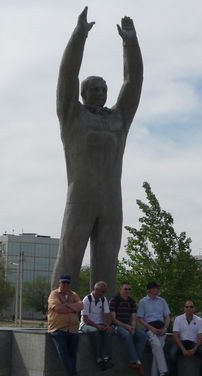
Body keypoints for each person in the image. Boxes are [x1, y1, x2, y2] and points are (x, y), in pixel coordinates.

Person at [51, 7, 143, 292]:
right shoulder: (72, 116)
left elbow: (133, 82)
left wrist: (130, 41)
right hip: (80, 198)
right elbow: (67, 75)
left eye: (104, 89)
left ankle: (104, 314)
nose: (101, 94)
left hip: (111, 199)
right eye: (95, 89)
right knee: (70, 256)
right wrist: (79, 35)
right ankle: (59, 310)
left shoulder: (119, 119)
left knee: (107, 262)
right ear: (82, 93)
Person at [47, 274, 84, 376]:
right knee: (63, 353)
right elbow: (58, 308)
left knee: (72, 354)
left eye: (67, 283)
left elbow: (81, 306)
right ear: (60, 283)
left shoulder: (74, 294)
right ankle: (73, 375)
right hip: (58, 329)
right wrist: (72, 308)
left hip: (73, 330)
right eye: (63, 283)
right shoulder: (54, 294)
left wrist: (67, 305)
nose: (65, 285)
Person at [168, 300, 202, 376]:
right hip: (181, 343)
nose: (189, 309)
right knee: (172, 354)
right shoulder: (178, 319)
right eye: (187, 307)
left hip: (194, 344)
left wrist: (194, 349)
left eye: (191, 307)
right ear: (184, 308)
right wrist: (183, 349)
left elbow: (201, 336)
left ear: (194, 308)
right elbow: (175, 335)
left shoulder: (199, 320)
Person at [136, 282, 170, 376]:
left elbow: (167, 316)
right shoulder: (143, 302)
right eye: (155, 288)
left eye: (158, 288)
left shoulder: (162, 301)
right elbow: (140, 319)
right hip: (150, 328)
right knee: (157, 346)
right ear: (149, 290)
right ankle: (163, 372)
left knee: (157, 351)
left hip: (161, 328)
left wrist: (165, 328)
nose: (157, 290)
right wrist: (151, 328)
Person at [110, 282, 147, 375]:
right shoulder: (114, 300)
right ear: (120, 289)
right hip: (117, 326)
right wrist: (127, 327)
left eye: (129, 289)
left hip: (129, 325)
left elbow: (134, 317)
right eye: (125, 289)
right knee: (127, 335)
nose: (127, 291)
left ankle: (133, 361)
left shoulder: (132, 301)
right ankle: (138, 362)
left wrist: (133, 327)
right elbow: (113, 319)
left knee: (143, 335)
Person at [79, 281, 114, 370]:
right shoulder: (87, 299)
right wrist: (97, 326)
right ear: (96, 290)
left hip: (99, 324)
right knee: (95, 332)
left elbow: (107, 314)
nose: (103, 294)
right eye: (102, 292)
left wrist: (108, 325)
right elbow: (85, 319)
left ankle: (106, 357)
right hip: (86, 325)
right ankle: (98, 357)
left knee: (108, 331)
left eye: (104, 292)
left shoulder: (103, 299)